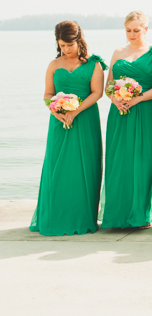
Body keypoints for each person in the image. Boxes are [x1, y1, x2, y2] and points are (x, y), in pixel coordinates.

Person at [31, 21, 106, 236]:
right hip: (59, 122)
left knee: (84, 167)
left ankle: (82, 216)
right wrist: (56, 111)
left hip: (85, 120)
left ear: (79, 40)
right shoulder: (54, 64)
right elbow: (47, 94)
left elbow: (97, 92)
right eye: (62, 45)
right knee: (58, 168)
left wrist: (76, 111)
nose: (65, 49)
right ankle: (55, 215)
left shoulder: (94, 64)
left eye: (69, 45)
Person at [101, 11, 152, 229]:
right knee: (118, 161)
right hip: (119, 113)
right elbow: (108, 85)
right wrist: (115, 100)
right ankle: (116, 215)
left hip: (146, 111)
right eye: (128, 30)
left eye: (136, 30)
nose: (132, 34)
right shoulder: (118, 52)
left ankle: (139, 216)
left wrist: (138, 98)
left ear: (146, 29)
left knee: (142, 161)